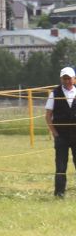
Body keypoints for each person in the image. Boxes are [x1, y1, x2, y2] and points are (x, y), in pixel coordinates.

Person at [47, 66, 76, 197]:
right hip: (61, 136)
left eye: (69, 78)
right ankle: (59, 193)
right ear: (61, 79)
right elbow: (48, 116)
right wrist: (55, 134)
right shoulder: (54, 94)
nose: (67, 81)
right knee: (60, 166)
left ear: (74, 79)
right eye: (65, 78)